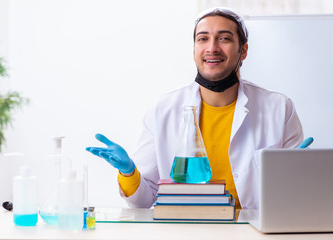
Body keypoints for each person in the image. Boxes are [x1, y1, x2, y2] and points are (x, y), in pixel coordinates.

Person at [86, 7, 303, 210]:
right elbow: (144, 200)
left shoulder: (278, 108)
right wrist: (128, 172)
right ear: (194, 51)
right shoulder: (163, 110)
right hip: (186, 229)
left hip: (252, 231)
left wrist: (303, 175)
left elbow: (294, 199)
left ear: (243, 51)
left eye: (225, 38)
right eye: (203, 39)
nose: (212, 47)